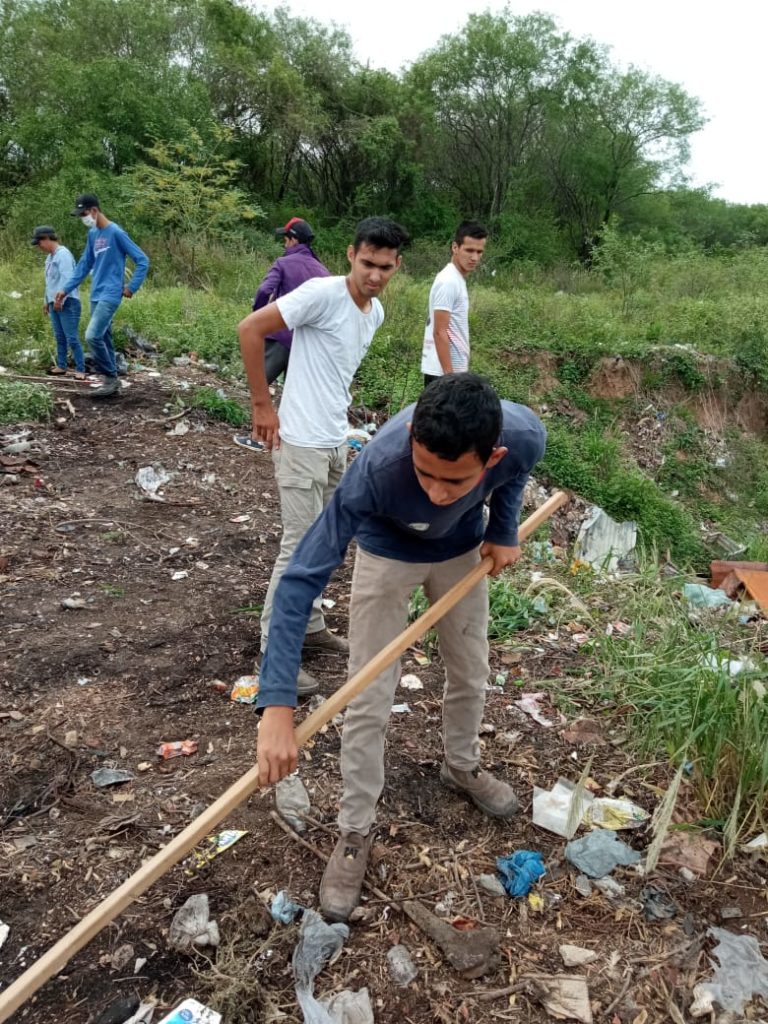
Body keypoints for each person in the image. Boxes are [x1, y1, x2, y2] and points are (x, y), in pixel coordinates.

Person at [255, 373, 546, 922]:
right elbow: (299, 581)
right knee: (369, 692)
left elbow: (517, 475)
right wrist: (276, 704)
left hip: (461, 552)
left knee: (470, 669)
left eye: (454, 480)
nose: (436, 492)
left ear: (492, 456)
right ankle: (354, 830)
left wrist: (503, 528)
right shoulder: (376, 471)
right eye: (426, 473)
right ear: (411, 435)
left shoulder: (524, 435)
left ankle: (460, 766)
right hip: (388, 555)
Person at [238, 217, 409, 697]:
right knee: (297, 548)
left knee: (327, 542)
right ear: (351, 254)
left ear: (398, 267)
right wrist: (262, 405)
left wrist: (348, 434)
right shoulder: (321, 293)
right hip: (299, 442)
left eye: (386, 267)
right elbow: (251, 329)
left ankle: (309, 627)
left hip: (335, 440)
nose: (375, 275)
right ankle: (277, 653)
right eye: (368, 263)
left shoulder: (372, 314)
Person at [234, 217, 330, 453]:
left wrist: (259, 317)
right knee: (294, 391)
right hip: (307, 343)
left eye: (286, 239)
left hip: (281, 336)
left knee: (260, 384)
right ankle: (286, 439)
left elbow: (265, 290)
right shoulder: (323, 271)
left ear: (294, 239)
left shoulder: (284, 263)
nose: (284, 244)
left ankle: (259, 437)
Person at [54, 193, 149, 399]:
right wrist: (65, 288)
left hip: (111, 293)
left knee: (92, 335)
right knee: (104, 337)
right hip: (96, 293)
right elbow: (84, 265)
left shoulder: (115, 233)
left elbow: (142, 260)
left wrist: (131, 287)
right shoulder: (93, 235)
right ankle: (111, 382)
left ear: (95, 211)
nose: (83, 218)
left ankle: (111, 377)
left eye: (84, 214)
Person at [421, 221, 488, 386]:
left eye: (479, 252)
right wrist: (450, 378)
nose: (474, 257)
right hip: (443, 375)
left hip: (451, 373)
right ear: (455, 247)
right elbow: (439, 331)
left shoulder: (456, 279)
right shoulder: (449, 280)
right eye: (469, 250)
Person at [30, 226, 85, 379]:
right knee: (59, 336)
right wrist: (46, 300)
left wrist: (60, 299)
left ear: (47, 239)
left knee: (71, 337)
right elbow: (50, 282)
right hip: (54, 302)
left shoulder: (63, 255)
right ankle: (61, 365)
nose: (39, 247)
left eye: (39, 242)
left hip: (68, 302)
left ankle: (81, 369)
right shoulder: (50, 258)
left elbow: (67, 280)